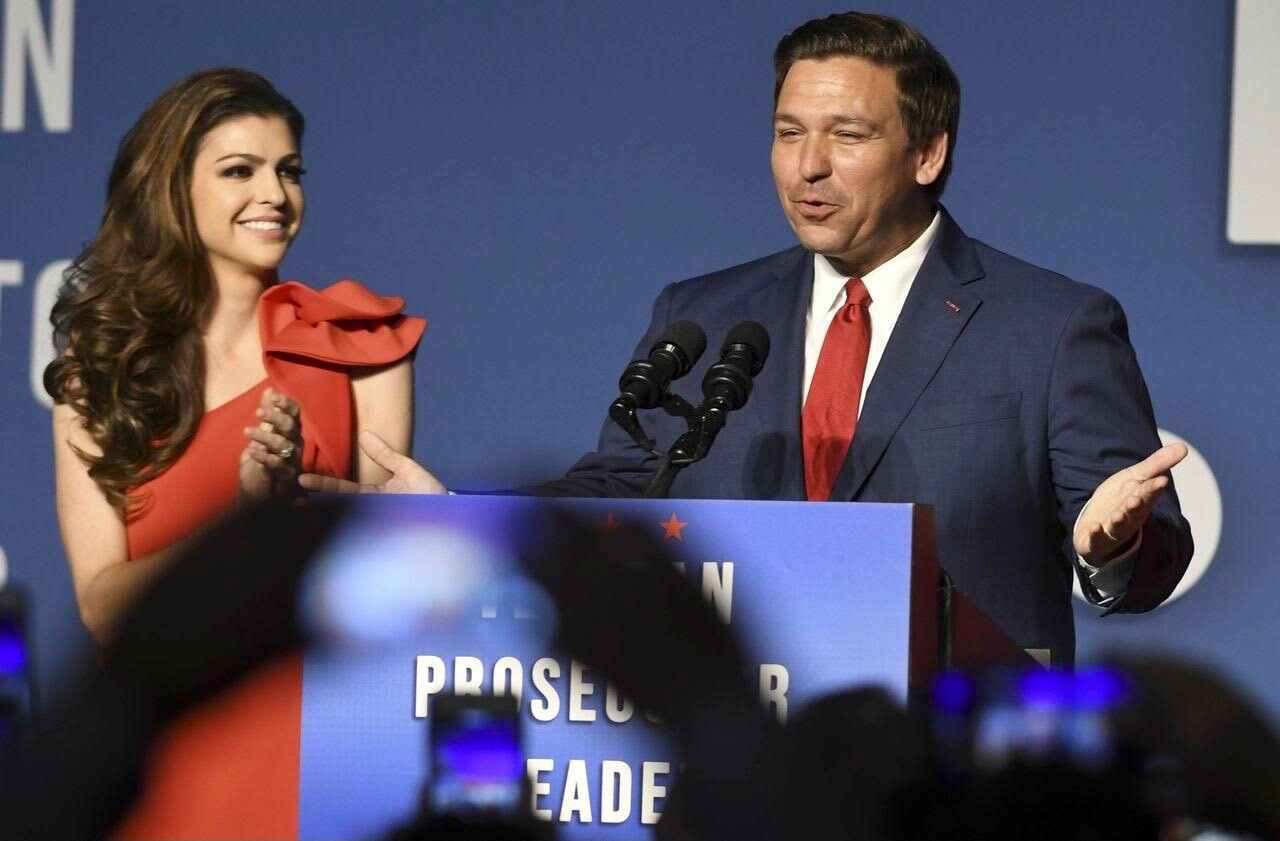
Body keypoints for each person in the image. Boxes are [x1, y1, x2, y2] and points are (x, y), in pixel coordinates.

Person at [302, 12, 1192, 665]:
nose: (809, 166)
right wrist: (464, 517)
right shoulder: (706, 316)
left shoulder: (1051, 326)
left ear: (927, 154)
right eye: (788, 133)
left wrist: (1109, 546)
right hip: (748, 763)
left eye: (847, 135)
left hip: (956, 769)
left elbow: (1148, 550)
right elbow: (626, 485)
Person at [44, 68, 424, 839]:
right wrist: (246, 524)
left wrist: (326, 523)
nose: (275, 195)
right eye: (240, 171)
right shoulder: (101, 376)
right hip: (168, 753)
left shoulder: (360, 345)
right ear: (172, 190)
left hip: (318, 747)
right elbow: (102, 604)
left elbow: (380, 575)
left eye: (290, 171)